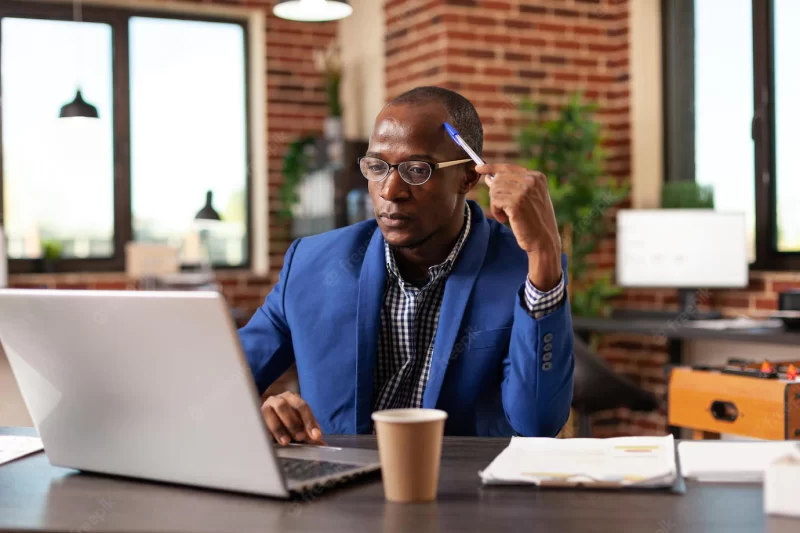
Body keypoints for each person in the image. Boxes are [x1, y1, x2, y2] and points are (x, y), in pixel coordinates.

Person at [239, 86, 574, 444]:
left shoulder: (523, 268)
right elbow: (219, 386)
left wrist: (544, 253)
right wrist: (269, 415)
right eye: (377, 167)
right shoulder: (311, 264)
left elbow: (538, 425)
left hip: (457, 492)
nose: (389, 190)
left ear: (468, 177)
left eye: (417, 170)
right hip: (335, 489)